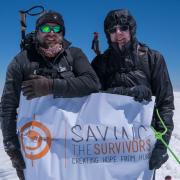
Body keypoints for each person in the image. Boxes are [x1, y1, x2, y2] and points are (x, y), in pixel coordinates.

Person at [1, 10, 100, 180]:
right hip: (36, 147)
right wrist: (12, 148)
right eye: (46, 28)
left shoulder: (74, 55)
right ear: (38, 31)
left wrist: (51, 86)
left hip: (71, 145)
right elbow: (8, 106)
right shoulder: (20, 61)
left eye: (57, 29)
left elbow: (93, 83)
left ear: (62, 33)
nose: (51, 33)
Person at [91, 9, 174, 173]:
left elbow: (165, 104)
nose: (118, 33)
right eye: (112, 30)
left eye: (123, 27)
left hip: (143, 146)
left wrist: (162, 144)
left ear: (131, 29)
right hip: (108, 145)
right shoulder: (100, 63)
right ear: (108, 34)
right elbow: (91, 101)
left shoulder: (153, 59)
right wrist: (120, 93)